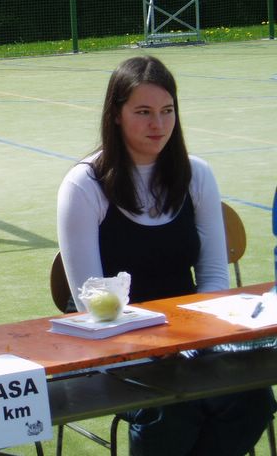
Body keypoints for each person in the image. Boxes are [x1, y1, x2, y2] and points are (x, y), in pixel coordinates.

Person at [56, 55, 276, 455]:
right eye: (143, 112)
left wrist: (195, 342)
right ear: (116, 115)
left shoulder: (197, 174)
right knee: (172, 407)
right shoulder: (84, 185)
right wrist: (164, 347)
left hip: (189, 337)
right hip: (113, 340)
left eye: (167, 111)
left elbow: (213, 280)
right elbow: (93, 301)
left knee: (252, 398)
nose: (158, 124)